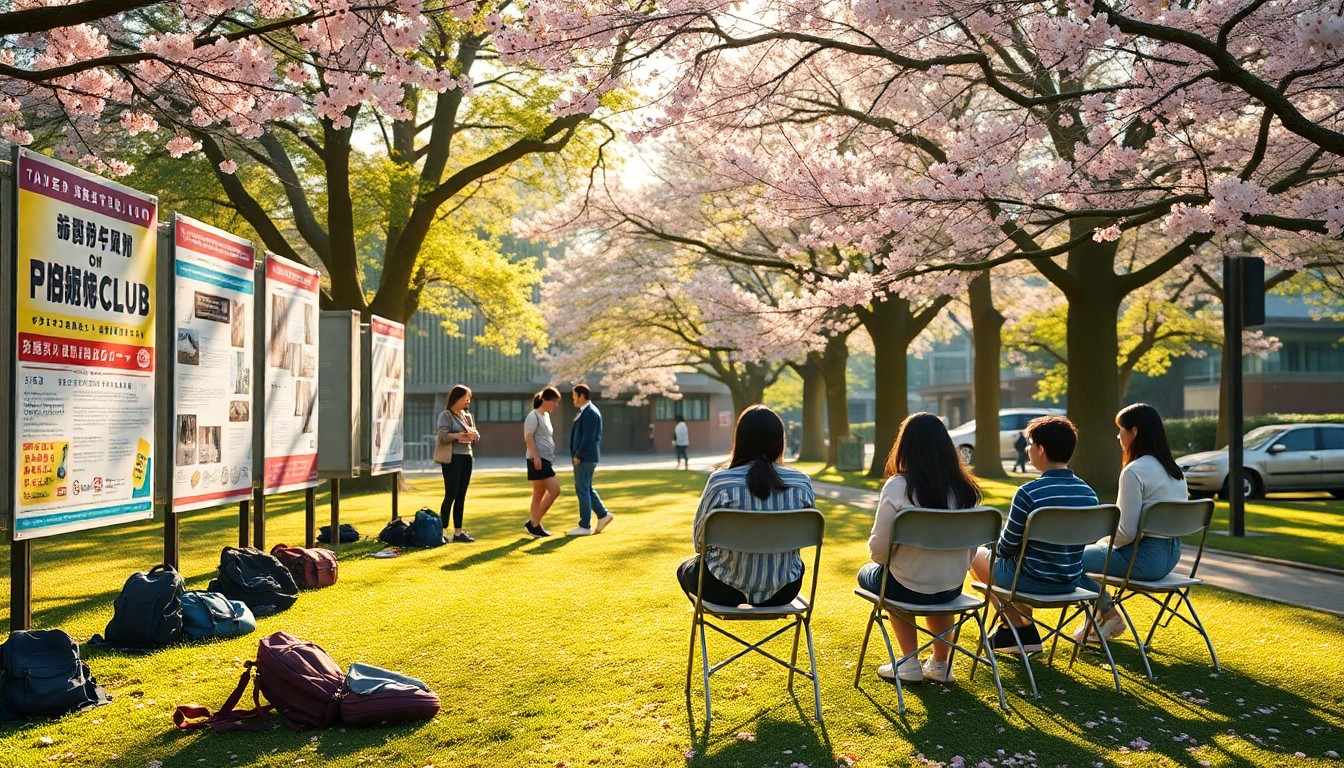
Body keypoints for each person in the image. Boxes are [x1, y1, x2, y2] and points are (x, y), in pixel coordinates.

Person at [859, 412, 984, 684]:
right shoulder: (966, 490)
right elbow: (971, 552)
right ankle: (940, 664)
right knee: (930, 583)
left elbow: (879, 552)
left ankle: (909, 662)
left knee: (874, 575)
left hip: (906, 586)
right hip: (951, 587)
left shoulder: (898, 486)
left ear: (905, 447)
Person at [969, 415, 1099, 653]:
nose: (1027, 449)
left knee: (976, 555)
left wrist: (992, 547)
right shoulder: (1089, 494)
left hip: (1030, 582)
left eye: (1030, 445)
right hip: (1069, 582)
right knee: (1015, 564)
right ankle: (1014, 632)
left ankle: (1017, 625)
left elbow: (1007, 548)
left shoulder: (1028, 493)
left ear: (1041, 450)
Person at [677, 405, 816, 606]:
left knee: (684, 569)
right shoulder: (801, 483)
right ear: (780, 441)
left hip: (722, 589)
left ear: (739, 439)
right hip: (784, 590)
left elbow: (700, 544)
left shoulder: (721, 482)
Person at [1074, 403, 1190, 644]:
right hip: (1171, 557)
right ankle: (1097, 622)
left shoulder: (1134, 471)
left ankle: (1108, 613)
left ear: (1134, 432)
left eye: (1121, 430)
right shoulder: (1175, 470)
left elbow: (1125, 532)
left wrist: (1102, 542)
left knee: (1068, 558)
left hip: (1143, 559)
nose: (1118, 436)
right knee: (1088, 556)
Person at [567, 385, 613, 536]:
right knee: (586, 488)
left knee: (582, 489)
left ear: (582, 395)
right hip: (587, 457)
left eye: (574, 395)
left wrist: (579, 455)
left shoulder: (589, 412)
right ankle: (603, 515)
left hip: (585, 458)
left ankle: (584, 525)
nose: (573, 398)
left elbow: (588, 438)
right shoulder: (587, 411)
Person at [436, 385, 480, 543]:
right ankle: (441, 532)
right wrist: (460, 435)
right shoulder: (446, 415)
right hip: (452, 459)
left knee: (461, 496)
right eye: (465, 398)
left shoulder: (467, 416)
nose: (468, 401)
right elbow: (442, 437)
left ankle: (458, 533)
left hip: (467, 457)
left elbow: (476, 435)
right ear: (457, 398)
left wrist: (474, 435)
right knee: (451, 494)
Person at [523, 387, 563, 538]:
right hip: (537, 459)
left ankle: (535, 525)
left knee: (538, 493)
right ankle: (534, 522)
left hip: (545, 459)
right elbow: (528, 436)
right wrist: (536, 456)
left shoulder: (545, 415)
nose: (555, 405)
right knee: (555, 489)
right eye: (554, 401)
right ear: (545, 400)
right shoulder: (533, 416)